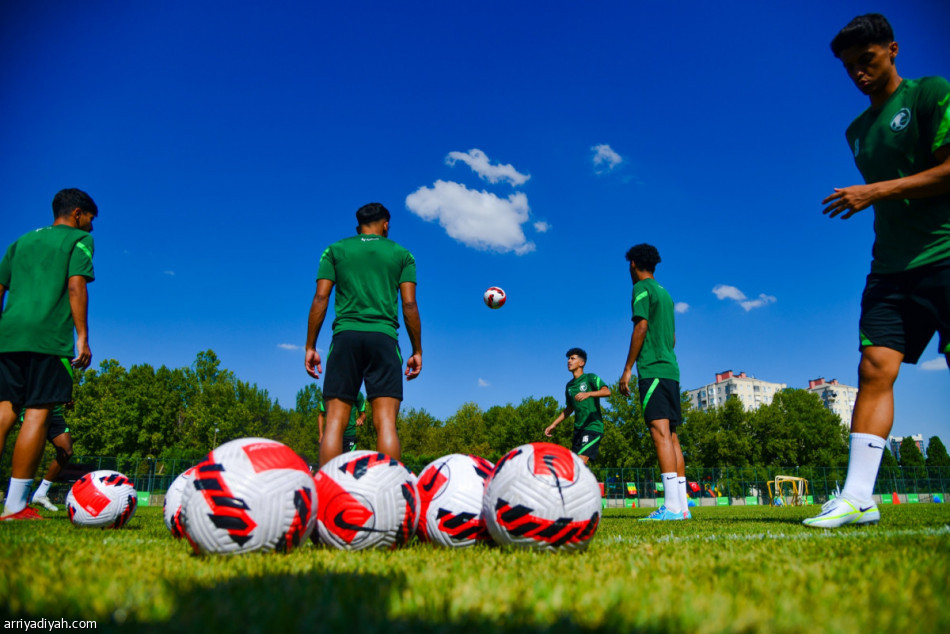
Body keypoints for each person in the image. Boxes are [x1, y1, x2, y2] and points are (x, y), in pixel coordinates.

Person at [806, 14, 950, 528]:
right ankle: (859, 497)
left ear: (892, 49)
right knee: (873, 369)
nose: (858, 74)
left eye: (865, 61)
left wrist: (876, 191)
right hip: (890, 268)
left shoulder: (931, 93)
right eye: (849, 68)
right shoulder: (857, 131)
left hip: (946, 254)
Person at [0, 188, 97, 520]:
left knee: (5, 412)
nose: (91, 227)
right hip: (48, 338)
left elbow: (0, 288)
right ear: (77, 214)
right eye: (89, 220)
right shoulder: (77, 240)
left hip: (8, 335)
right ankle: (14, 506)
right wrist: (82, 337)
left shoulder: (21, 242)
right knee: (38, 414)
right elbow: (75, 285)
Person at [305, 202, 422, 466]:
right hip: (383, 339)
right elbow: (409, 305)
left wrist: (310, 346)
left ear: (358, 227)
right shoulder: (402, 254)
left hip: (345, 338)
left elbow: (321, 297)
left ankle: (327, 495)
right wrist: (417, 351)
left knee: (334, 422)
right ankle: (390, 493)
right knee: (386, 424)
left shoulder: (335, 250)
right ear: (386, 224)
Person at [618, 244, 690, 521]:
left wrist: (627, 370)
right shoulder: (666, 293)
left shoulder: (641, 289)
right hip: (671, 370)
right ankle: (682, 507)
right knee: (671, 435)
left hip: (653, 369)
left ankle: (671, 507)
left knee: (659, 433)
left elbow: (641, 326)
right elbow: (672, 338)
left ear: (633, 264)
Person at [544, 348, 610, 466]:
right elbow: (570, 408)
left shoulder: (590, 378)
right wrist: (554, 424)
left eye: (572, 358)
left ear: (581, 363)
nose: (569, 361)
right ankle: (585, 484)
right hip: (578, 429)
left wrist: (588, 393)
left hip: (592, 427)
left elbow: (607, 391)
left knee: (580, 462)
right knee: (574, 464)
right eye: (568, 359)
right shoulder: (569, 386)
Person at [29, 404, 75, 511]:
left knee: (66, 451)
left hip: (54, 411)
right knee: (32, 453)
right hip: (34, 408)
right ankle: (17, 499)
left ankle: (40, 493)